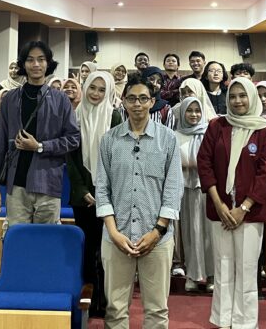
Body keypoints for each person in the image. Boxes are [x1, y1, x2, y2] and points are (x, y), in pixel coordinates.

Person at [95, 75, 183, 329]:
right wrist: (114, 232)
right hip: (116, 236)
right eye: (132, 98)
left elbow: (173, 190)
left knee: (157, 310)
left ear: (152, 102)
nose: (137, 104)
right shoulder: (109, 140)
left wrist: (157, 232)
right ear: (123, 101)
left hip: (157, 238)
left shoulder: (168, 139)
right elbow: (102, 189)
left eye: (143, 99)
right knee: (115, 310)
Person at [197, 77, 266, 329]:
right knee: (222, 265)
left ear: (251, 97)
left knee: (246, 268)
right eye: (232, 96)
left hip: (250, 213)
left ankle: (244, 322)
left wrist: (243, 208)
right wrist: (219, 204)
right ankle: (223, 319)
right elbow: (204, 163)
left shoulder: (265, 131)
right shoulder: (217, 126)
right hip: (220, 210)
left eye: (243, 96)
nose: (237, 101)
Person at [0, 41, 80, 225]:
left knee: (46, 238)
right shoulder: (10, 99)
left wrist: (39, 146)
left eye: (41, 59)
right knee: (17, 237)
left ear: (48, 64)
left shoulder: (60, 99)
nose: (36, 64)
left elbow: (73, 139)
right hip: (17, 184)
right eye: (30, 60)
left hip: (47, 183)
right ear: (23, 64)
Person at [67, 71, 122, 317]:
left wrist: (104, 191)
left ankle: (108, 300)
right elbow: (71, 159)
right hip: (82, 196)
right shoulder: (74, 117)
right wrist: (82, 190)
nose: (96, 93)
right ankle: (90, 300)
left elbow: (119, 158)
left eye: (102, 89)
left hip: (109, 194)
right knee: (88, 249)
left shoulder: (115, 116)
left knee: (108, 249)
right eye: (92, 88)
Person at [175, 97, 214, 293]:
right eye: (189, 111)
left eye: (197, 111)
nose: (194, 115)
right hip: (185, 189)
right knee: (190, 233)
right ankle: (192, 274)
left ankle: (212, 275)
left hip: (207, 189)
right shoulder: (175, 135)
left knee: (209, 234)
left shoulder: (209, 133)